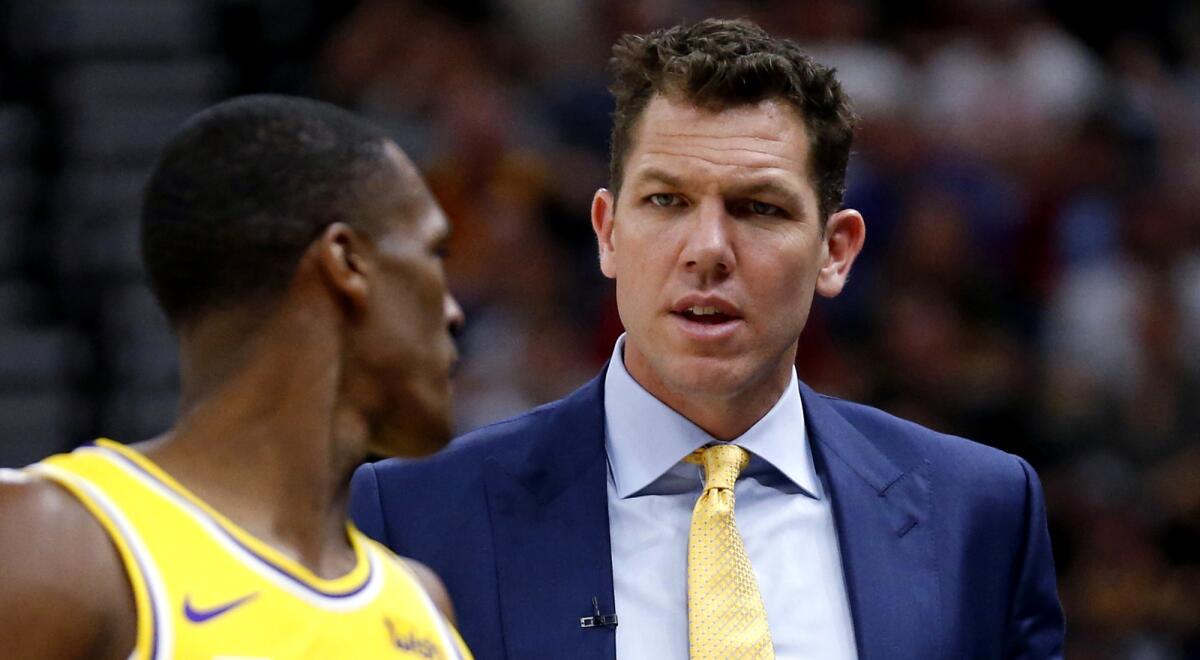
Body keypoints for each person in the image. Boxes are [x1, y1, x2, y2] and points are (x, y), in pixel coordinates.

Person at [351, 19, 1064, 660]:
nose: (708, 249)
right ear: (607, 232)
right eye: (667, 201)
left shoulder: (980, 512)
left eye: (759, 208)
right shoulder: (414, 516)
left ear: (835, 251)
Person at [0, 95, 472, 659]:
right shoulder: (55, 546)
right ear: (346, 262)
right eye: (434, 252)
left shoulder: (423, 609)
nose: (453, 311)